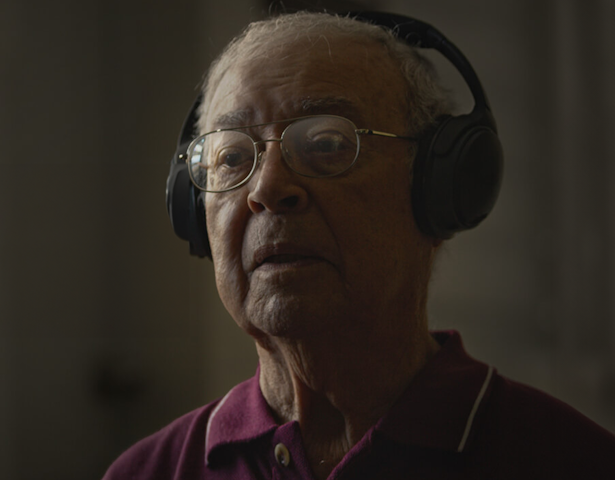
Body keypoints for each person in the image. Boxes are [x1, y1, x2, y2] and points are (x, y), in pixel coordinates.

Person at [104, 11, 615, 479]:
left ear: (439, 190)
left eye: (327, 143)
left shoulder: (572, 460)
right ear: (194, 212)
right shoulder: (147, 471)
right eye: (232, 158)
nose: (265, 189)